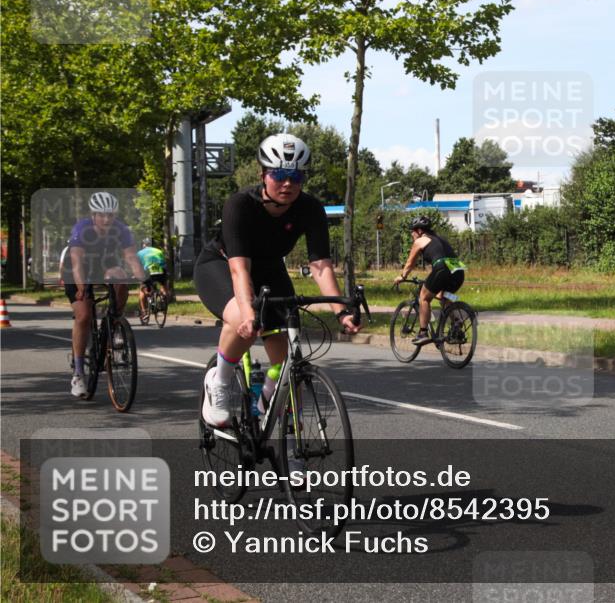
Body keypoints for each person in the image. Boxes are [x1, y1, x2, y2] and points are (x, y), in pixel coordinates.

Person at [195, 133, 362, 428]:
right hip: (221, 266)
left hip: (270, 270)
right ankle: (219, 381)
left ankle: (272, 407)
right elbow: (239, 270)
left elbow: (320, 265)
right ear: (263, 174)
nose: (288, 183)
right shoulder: (239, 205)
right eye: (279, 175)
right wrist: (248, 312)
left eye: (296, 176)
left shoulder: (310, 208)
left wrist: (341, 310)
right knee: (244, 321)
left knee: (289, 363)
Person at [63, 192, 144, 398]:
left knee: (121, 277)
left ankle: (114, 322)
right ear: (93, 215)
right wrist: (82, 287)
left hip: (103, 264)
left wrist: (144, 279)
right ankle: (78, 374)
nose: (106, 219)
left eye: (110, 215)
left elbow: (131, 257)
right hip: (76, 270)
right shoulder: (82, 229)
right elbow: (77, 262)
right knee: (84, 315)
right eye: (102, 215)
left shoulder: (121, 229)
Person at [393, 216, 466, 345]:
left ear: (420, 231)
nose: (412, 234)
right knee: (443, 296)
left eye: (413, 231)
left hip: (443, 268)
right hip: (458, 269)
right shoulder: (439, 239)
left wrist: (402, 276)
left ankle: (423, 333)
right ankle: (456, 322)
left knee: (424, 297)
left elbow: (410, 263)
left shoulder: (420, 241)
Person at [136, 239, 167, 323]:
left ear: (143, 245)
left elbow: (137, 266)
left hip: (148, 272)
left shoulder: (140, 253)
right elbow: (164, 263)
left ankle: (144, 312)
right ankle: (163, 297)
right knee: (163, 285)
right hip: (160, 271)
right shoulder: (158, 251)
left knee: (142, 290)